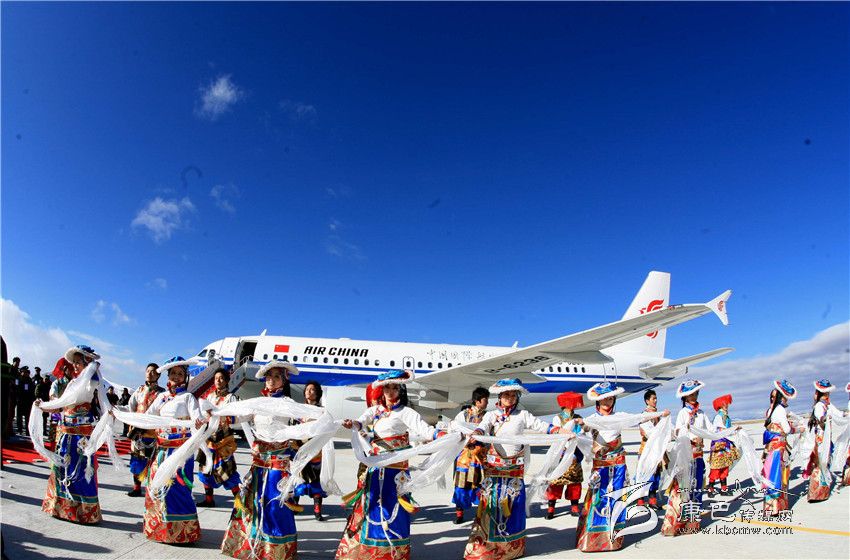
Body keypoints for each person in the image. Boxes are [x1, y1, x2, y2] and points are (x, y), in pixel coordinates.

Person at [337, 369, 444, 560]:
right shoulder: (375, 410)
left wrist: (441, 435)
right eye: (388, 388)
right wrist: (351, 424)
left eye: (395, 388)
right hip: (376, 468)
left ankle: (392, 553)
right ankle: (368, 552)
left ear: (400, 390)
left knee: (394, 510)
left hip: (396, 473)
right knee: (371, 507)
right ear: (382, 390)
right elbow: (360, 422)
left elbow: (425, 430)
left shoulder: (406, 412)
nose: (391, 392)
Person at [464, 378, 562, 560]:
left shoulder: (523, 415)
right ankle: (486, 548)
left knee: (513, 508)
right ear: (500, 396)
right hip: (494, 469)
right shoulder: (491, 415)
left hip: (514, 471)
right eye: (506, 395)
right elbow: (482, 427)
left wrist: (559, 431)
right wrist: (476, 434)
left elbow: (540, 425)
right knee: (490, 507)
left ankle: (511, 549)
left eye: (513, 395)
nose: (510, 398)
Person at [221, 360, 301, 560]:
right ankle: (255, 547)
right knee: (254, 503)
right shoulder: (258, 402)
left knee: (275, 504)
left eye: (277, 376)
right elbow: (238, 418)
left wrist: (318, 421)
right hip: (259, 463)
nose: (272, 380)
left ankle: (278, 551)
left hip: (279, 462)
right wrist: (218, 415)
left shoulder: (288, 403)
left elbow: (305, 418)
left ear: (284, 380)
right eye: (269, 376)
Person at [576, 382, 669, 552]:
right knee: (598, 499)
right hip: (601, 466)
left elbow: (638, 418)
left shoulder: (619, 416)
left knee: (617, 499)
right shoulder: (593, 419)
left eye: (611, 399)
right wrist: (580, 424)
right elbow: (583, 430)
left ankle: (613, 538)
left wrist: (660, 414)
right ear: (598, 401)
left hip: (618, 464)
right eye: (604, 399)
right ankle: (593, 538)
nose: (607, 402)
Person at [36, 345, 110, 524]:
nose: (75, 366)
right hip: (66, 433)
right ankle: (62, 508)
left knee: (82, 473)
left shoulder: (90, 381)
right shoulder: (73, 383)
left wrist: (92, 365)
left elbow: (96, 383)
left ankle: (85, 512)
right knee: (62, 470)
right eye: (74, 362)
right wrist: (44, 405)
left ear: (86, 363)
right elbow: (62, 404)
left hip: (80, 436)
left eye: (78, 362)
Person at [142, 356, 203, 544]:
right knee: (157, 487)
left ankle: (184, 533)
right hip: (161, 451)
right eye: (173, 373)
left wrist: (199, 422)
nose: (176, 377)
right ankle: (159, 529)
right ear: (168, 376)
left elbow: (198, 418)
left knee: (177, 489)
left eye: (180, 374)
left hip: (180, 453)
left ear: (185, 377)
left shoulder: (188, 397)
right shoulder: (161, 397)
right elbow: (148, 416)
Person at [661, 379, 719, 537]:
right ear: (685, 397)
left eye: (695, 393)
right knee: (683, 489)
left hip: (698, 456)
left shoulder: (701, 413)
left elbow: (711, 429)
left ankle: (692, 523)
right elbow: (678, 432)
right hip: (686, 457)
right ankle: (677, 523)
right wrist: (692, 435)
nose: (693, 397)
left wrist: (727, 430)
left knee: (697, 488)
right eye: (690, 394)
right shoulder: (683, 413)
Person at [196, 368, 241, 508]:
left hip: (223, 440)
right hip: (209, 438)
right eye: (216, 378)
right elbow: (204, 415)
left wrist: (220, 416)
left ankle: (240, 502)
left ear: (227, 380)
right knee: (205, 469)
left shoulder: (231, 398)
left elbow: (235, 418)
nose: (218, 381)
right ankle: (209, 499)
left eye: (221, 378)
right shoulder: (209, 397)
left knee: (227, 471)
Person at [804, 379, 847, 502]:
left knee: (824, 462)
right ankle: (816, 493)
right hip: (821, 438)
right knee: (820, 463)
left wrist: (845, 415)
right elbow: (820, 420)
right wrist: (826, 418)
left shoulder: (827, 404)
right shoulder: (819, 405)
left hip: (825, 437)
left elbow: (838, 414)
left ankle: (822, 492)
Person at [451, 386, 490, 524]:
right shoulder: (463, 414)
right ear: (477, 401)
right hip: (465, 456)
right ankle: (459, 515)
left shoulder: (488, 416)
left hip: (480, 456)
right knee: (461, 484)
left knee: (481, 485)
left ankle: (480, 515)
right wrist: (467, 437)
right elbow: (454, 428)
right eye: (485, 400)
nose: (487, 403)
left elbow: (491, 433)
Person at [545, 391, 586, 519]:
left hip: (575, 451)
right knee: (556, 481)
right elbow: (557, 433)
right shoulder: (558, 418)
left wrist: (582, 426)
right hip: (561, 452)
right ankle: (551, 508)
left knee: (574, 481)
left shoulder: (578, 417)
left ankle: (574, 507)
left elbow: (583, 432)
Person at [126, 363, 165, 497]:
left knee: (153, 462)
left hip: (152, 433)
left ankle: (152, 488)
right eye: (148, 371)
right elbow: (131, 406)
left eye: (153, 372)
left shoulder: (162, 393)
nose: (150, 373)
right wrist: (133, 421)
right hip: (137, 432)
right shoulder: (139, 390)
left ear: (158, 375)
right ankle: (136, 488)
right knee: (136, 461)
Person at [292, 380, 328, 520]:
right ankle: (294, 506)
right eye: (307, 389)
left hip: (315, 451)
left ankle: (317, 510)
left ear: (318, 393)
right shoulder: (298, 410)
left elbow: (325, 430)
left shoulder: (322, 412)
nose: (309, 392)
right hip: (299, 449)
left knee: (315, 479)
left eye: (312, 389)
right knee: (297, 478)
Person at [762, 380, 799, 515]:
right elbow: (787, 429)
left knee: (772, 474)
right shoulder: (780, 410)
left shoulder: (772, 410)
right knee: (778, 475)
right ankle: (775, 507)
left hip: (773, 447)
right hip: (779, 447)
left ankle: (771, 506)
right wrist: (797, 429)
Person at [636, 389, 664, 509]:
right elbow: (645, 431)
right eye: (653, 398)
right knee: (645, 474)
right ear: (647, 401)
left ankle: (652, 499)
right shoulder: (645, 414)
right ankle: (640, 499)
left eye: (656, 398)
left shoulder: (657, 414)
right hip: (647, 448)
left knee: (655, 473)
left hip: (656, 448)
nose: (655, 400)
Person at [707, 394, 739, 496]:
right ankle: (710, 489)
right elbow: (718, 429)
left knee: (725, 466)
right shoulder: (719, 417)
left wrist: (734, 430)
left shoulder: (726, 416)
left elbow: (727, 430)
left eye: (727, 404)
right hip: (719, 444)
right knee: (716, 467)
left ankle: (724, 489)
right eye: (725, 404)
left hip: (726, 444)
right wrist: (732, 430)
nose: (727, 406)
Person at [16, 366, 36, 434]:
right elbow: (16, 387)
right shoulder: (18, 379)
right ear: (21, 372)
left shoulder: (29, 380)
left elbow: (31, 390)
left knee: (27, 416)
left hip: (27, 400)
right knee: (19, 416)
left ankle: (27, 430)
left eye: (26, 372)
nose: (25, 373)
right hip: (20, 399)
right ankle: (19, 429)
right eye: (24, 372)